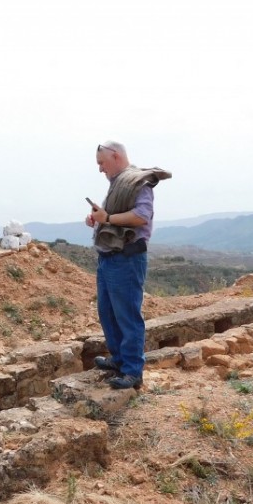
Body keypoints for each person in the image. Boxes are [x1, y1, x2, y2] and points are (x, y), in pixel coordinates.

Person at [84, 141, 170, 390]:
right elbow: (115, 218)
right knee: (108, 313)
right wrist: (97, 220)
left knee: (127, 316)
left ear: (116, 156)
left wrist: (107, 218)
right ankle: (119, 360)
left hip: (127, 259)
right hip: (109, 259)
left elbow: (142, 216)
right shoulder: (118, 184)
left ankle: (133, 371)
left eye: (102, 163)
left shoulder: (137, 181)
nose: (100, 169)